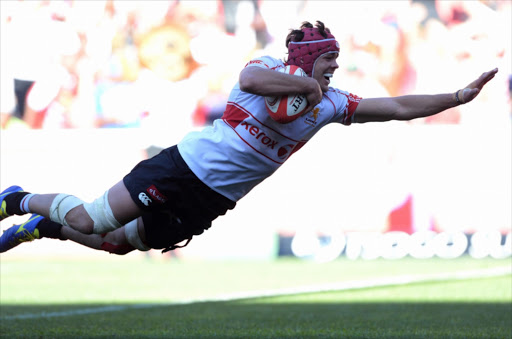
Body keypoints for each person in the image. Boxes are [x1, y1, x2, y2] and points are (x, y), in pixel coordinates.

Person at [0, 21, 498, 255]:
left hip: (215, 197)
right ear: (307, 61)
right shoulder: (267, 67)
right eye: (329, 60)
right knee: (90, 217)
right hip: (182, 167)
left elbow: (395, 107)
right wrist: (305, 82)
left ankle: (40, 228)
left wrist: (455, 97)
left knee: (118, 245)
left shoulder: (332, 102)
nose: (336, 68)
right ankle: (18, 199)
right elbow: (250, 83)